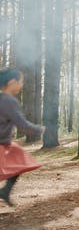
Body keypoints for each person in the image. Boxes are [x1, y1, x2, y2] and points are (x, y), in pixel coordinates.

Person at [0, 68, 45, 206]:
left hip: (6, 144)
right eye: (21, 81)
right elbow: (21, 123)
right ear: (12, 82)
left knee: (19, 161)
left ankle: (5, 191)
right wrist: (38, 129)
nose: (22, 84)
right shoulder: (9, 101)